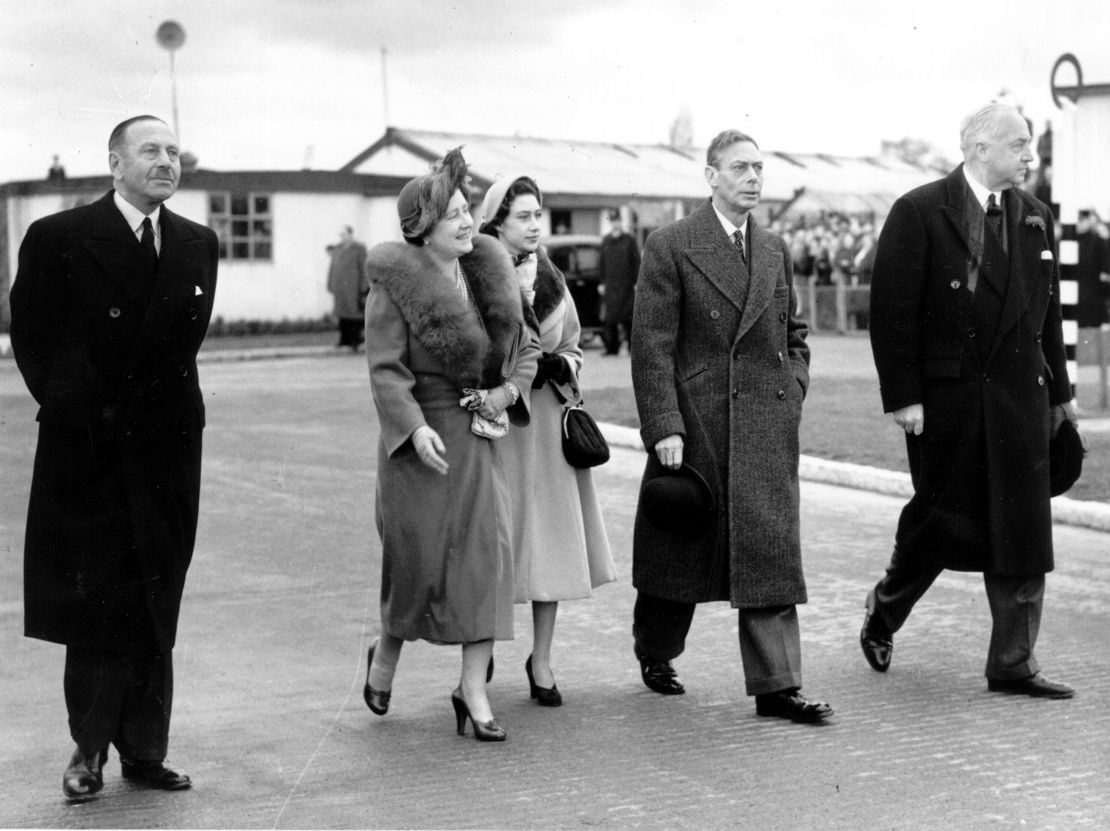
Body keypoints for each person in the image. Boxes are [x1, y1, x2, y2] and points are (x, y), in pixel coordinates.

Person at [9, 115, 217, 799]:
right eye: (149, 150)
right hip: (90, 450)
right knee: (96, 601)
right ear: (114, 164)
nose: (166, 160)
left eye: (172, 151)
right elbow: (33, 338)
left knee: (157, 596)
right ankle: (89, 748)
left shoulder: (196, 243)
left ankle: (146, 750)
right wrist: (83, 410)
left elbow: (181, 348)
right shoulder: (60, 237)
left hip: (167, 451)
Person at [862, 103, 1079, 699]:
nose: (1030, 156)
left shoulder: (1035, 217)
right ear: (980, 149)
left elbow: (1046, 318)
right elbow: (892, 312)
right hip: (948, 402)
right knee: (939, 524)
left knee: (1024, 530)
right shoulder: (920, 210)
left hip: (1018, 401)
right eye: (1019, 145)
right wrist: (903, 397)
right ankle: (883, 613)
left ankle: (1013, 662)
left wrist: (1061, 398)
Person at [629, 129, 833, 724]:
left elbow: (794, 334)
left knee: (769, 554)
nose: (753, 177)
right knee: (683, 551)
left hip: (765, 424)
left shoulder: (773, 248)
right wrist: (664, 423)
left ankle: (777, 688)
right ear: (711, 175)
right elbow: (651, 345)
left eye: (760, 168)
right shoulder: (670, 246)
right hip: (697, 428)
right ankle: (656, 650)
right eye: (740, 167)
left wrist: (792, 388)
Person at [361, 148, 539, 741]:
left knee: (485, 563)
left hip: (478, 440)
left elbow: (525, 349)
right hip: (422, 447)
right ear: (422, 230)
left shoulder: (491, 272)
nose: (469, 223)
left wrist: (510, 392)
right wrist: (412, 426)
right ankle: (386, 655)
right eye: (454, 215)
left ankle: (473, 689)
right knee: (418, 567)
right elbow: (387, 371)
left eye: (468, 210)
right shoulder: (394, 289)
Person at [478, 174, 616, 707]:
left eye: (540, 215)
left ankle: (543, 658)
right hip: (501, 426)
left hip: (550, 421)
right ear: (497, 224)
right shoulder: (475, 275)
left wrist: (562, 362)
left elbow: (577, 345)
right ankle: (480, 644)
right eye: (524, 216)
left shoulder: (554, 279)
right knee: (497, 540)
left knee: (552, 543)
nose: (536, 225)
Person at [599, 208, 640, 355]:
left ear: (621, 221)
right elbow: (602, 263)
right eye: (612, 221)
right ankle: (612, 348)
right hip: (611, 285)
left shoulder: (629, 240)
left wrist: (637, 282)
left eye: (617, 220)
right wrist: (602, 282)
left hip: (627, 285)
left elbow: (636, 262)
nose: (615, 224)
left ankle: (631, 347)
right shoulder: (606, 241)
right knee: (610, 319)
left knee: (628, 317)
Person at [326, 225, 370, 350]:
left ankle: (355, 341)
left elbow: (364, 268)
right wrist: (330, 283)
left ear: (351, 234)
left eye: (344, 234)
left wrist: (364, 286)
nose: (342, 237)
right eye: (341, 235)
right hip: (339, 288)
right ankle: (343, 340)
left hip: (353, 288)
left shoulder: (359, 249)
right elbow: (332, 268)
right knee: (341, 314)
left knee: (354, 314)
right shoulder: (337, 249)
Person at [1075, 210, 1110, 330]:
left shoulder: (1097, 241)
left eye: (1082, 220)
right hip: (1079, 293)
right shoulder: (1071, 240)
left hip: (1092, 294)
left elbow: (1105, 266)